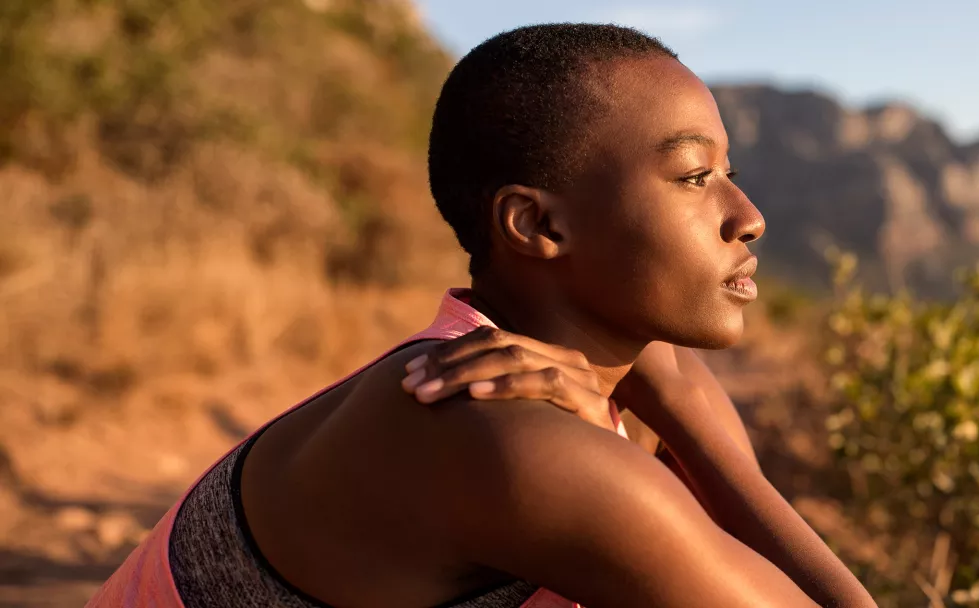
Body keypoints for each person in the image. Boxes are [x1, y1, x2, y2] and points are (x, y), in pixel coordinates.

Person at [87, 23, 876, 608]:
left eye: (728, 170)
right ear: (536, 227)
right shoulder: (505, 435)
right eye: (694, 176)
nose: (748, 215)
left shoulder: (554, 385)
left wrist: (668, 393)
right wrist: (697, 426)